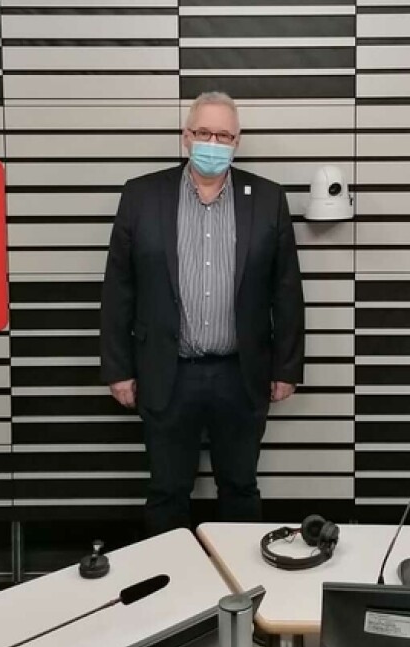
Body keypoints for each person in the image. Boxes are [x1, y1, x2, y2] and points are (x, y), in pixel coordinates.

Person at [100, 92, 305, 536]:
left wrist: (286, 368)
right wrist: (118, 369)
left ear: (237, 142)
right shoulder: (142, 195)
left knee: (240, 487)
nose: (213, 143)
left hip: (241, 373)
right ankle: (170, 579)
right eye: (203, 132)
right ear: (185, 136)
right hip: (167, 371)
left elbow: (286, 290)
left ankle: (239, 577)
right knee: (167, 491)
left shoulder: (267, 198)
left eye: (223, 135)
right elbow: (119, 289)